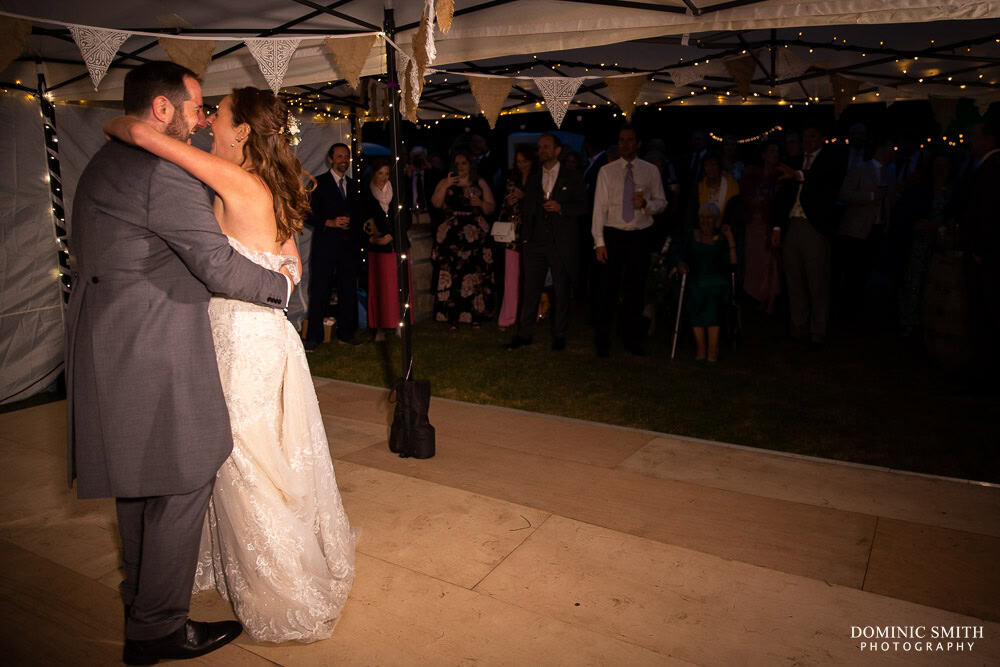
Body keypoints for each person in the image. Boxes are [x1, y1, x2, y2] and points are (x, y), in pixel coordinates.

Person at [103, 84, 355, 644]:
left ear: (241, 131)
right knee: (260, 458)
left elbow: (140, 133)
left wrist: (124, 125)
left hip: (241, 341)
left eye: (215, 115)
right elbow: (288, 262)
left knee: (243, 460)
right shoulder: (263, 184)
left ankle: (282, 589)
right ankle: (242, 569)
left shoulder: (235, 181)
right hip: (258, 336)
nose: (205, 121)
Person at [65, 62, 293, 664]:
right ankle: (159, 629)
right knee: (185, 479)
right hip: (154, 346)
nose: (201, 119)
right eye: (195, 107)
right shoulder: (161, 174)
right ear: (162, 110)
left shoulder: (104, 159)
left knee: (138, 485)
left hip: (109, 341)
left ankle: (142, 606)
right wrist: (285, 291)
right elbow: (215, 264)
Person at [506, 134, 587, 351]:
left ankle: (559, 335)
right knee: (530, 289)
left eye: (546, 146)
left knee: (560, 290)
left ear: (557, 150)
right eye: (540, 147)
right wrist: (526, 237)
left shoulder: (572, 176)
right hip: (535, 242)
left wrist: (562, 208)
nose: (542, 150)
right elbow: (528, 208)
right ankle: (525, 334)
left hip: (560, 242)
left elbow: (583, 206)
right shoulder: (533, 177)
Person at [592, 125, 667, 357]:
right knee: (608, 289)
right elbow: (599, 208)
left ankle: (631, 337)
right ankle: (603, 339)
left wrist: (646, 206)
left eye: (629, 140)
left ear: (638, 143)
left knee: (635, 289)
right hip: (613, 234)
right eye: (621, 140)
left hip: (639, 233)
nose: (625, 144)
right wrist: (599, 242)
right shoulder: (607, 171)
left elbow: (661, 202)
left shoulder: (650, 171)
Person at [772, 125, 845, 347]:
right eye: (804, 136)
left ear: (821, 138)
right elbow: (783, 196)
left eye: (812, 135)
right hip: (792, 224)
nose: (807, 140)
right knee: (794, 278)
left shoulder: (830, 160)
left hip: (814, 226)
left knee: (817, 280)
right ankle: (798, 326)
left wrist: (798, 175)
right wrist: (777, 227)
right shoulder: (794, 161)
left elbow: (822, 179)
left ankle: (818, 330)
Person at [304, 142, 362, 349]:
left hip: (348, 249)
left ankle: (347, 333)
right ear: (330, 159)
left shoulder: (354, 186)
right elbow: (305, 213)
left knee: (348, 290)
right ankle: (314, 337)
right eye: (339, 156)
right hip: (325, 248)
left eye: (346, 156)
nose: (343, 160)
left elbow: (359, 215)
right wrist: (328, 222)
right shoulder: (318, 184)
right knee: (320, 290)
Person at [430, 149, 497, 329]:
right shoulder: (447, 182)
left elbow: (491, 207)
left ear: (470, 165)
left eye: (464, 163)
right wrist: (445, 184)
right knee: (452, 274)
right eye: (458, 164)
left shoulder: (479, 182)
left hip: (474, 234)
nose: (461, 167)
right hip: (452, 235)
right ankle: (451, 315)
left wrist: (481, 203)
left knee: (473, 274)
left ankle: (475, 314)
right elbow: (436, 203)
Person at [835, 139, 895, 321]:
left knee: (866, 270)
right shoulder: (861, 169)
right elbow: (844, 193)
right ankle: (848, 309)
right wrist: (871, 196)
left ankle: (859, 307)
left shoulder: (890, 172)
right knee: (855, 271)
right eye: (889, 148)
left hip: (877, 227)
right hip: (857, 230)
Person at [677, 203, 738, 363]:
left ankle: (712, 350)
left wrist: (731, 239)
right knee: (695, 293)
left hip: (717, 279)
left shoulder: (721, 239)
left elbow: (732, 264)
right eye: (702, 217)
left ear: (716, 220)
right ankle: (701, 348)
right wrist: (681, 264)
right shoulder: (691, 235)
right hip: (696, 277)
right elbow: (681, 256)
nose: (705, 221)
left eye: (709, 217)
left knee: (713, 297)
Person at [362, 159, 409, 341]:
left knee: (398, 287)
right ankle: (380, 327)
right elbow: (364, 222)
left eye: (387, 174)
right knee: (381, 288)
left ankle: (399, 323)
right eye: (380, 173)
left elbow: (406, 218)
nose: (384, 177)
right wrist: (374, 238)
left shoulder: (396, 192)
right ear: (374, 173)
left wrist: (393, 236)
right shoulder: (367, 194)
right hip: (378, 250)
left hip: (397, 246)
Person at [496, 147, 536, 329]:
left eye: (525, 161)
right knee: (511, 276)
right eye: (518, 162)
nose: (521, 165)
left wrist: (525, 197)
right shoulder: (512, 179)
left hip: (532, 233)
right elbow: (503, 207)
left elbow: (539, 204)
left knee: (530, 276)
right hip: (513, 233)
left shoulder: (538, 180)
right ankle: (508, 316)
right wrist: (509, 201)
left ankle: (528, 315)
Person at [741, 141, 782, 313]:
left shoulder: (780, 176)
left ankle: (770, 300)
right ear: (763, 154)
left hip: (771, 223)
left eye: (777, 151)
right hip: (754, 223)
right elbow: (745, 196)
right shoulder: (752, 175)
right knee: (756, 262)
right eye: (771, 151)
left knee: (771, 262)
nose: (775, 155)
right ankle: (758, 296)